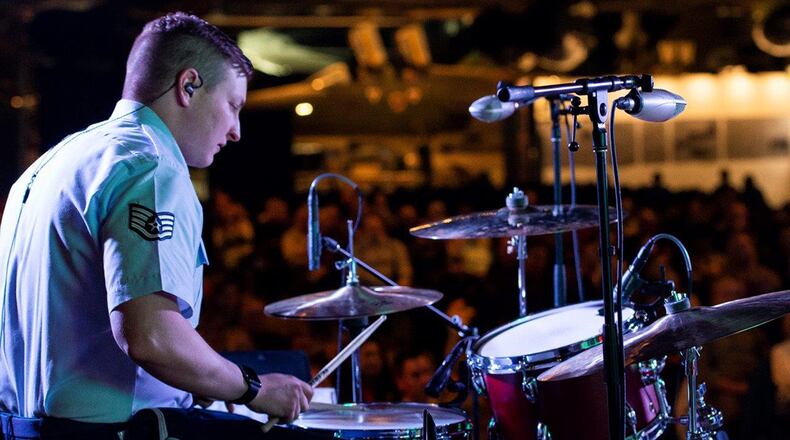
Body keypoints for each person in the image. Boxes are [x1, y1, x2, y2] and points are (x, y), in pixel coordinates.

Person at [0, 12, 312, 438]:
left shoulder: (52, 163)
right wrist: (253, 388)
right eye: (233, 106)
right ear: (189, 86)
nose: (236, 131)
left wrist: (199, 377)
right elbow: (151, 337)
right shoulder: (151, 167)